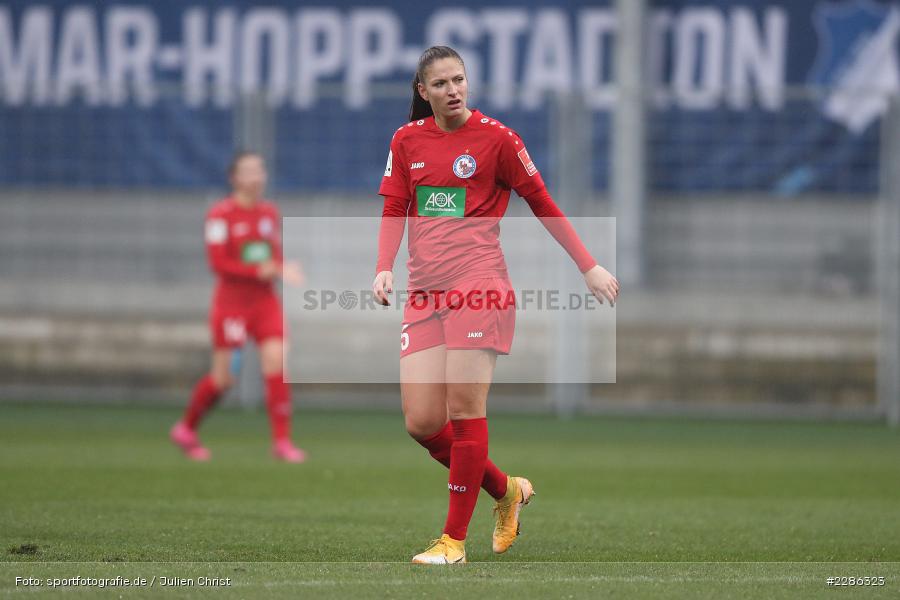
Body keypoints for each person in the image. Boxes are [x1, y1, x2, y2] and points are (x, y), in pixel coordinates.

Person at [373, 46, 619, 564]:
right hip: (424, 291)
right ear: (423, 92)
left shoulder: (498, 139)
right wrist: (383, 266)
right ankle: (506, 491)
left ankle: (453, 543)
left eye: (459, 79)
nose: (453, 90)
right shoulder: (406, 139)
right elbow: (396, 206)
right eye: (440, 84)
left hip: (478, 286)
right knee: (422, 422)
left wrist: (588, 265)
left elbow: (542, 202)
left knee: (465, 412)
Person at [170, 152, 307, 463]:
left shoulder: (269, 213)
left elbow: (271, 256)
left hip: (264, 303)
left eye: (260, 170)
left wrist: (285, 267)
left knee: (277, 361)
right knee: (223, 379)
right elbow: (218, 263)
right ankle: (186, 429)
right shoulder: (220, 215)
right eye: (249, 171)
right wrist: (261, 270)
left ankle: (282, 442)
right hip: (231, 305)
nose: (257, 176)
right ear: (234, 178)